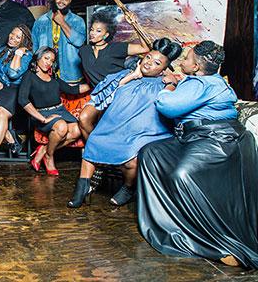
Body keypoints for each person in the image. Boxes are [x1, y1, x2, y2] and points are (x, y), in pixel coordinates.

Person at [137, 40, 258, 268]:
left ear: (196, 67)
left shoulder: (201, 85)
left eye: (188, 58)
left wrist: (170, 85)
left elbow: (166, 105)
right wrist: (183, 83)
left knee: (182, 175)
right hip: (202, 137)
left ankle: (216, 242)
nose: (183, 61)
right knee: (151, 153)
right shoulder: (208, 81)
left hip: (217, 140)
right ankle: (170, 219)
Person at [68, 38, 182, 208]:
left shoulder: (166, 83)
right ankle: (82, 188)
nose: (149, 63)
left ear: (164, 69)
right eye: (148, 57)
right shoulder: (123, 75)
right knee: (94, 141)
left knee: (131, 161)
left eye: (157, 63)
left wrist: (172, 82)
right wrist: (132, 76)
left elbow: (168, 104)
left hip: (143, 133)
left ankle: (128, 188)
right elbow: (103, 96)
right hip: (113, 128)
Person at [77, 9, 151, 140]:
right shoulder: (84, 51)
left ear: (106, 35)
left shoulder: (116, 48)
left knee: (115, 129)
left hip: (119, 93)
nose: (93, 33)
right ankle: (96, 150)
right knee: (84, 119)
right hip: (100, 94)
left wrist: (134, 24)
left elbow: (145, 48)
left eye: (98, 31)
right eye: (92, 30)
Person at [18, 47, 90, 175]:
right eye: (46, 58)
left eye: (51, 60)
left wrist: (96, 84)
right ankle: (49, 157)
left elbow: (72, 90)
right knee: (61, 127)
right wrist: (43, 119)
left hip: (60, 110)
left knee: (77, 130)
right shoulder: (29, 75)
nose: (48, 63)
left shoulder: (53, 76)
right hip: (42, 113)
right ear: (38, 57)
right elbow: (23, 100)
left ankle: (44, 150)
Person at [0, 25, 33, 176]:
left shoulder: (27, 55)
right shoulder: (2, 50)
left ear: (24, 41)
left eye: (18, 37)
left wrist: (18, 54)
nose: (12, 38)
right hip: (2, 88)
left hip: (17, 90)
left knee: (2, 112)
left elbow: (13, 73)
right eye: (12, 34)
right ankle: (10, 138)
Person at [31, 0, 86, 83]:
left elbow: (79, 42)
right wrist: (36, 67)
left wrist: (62, 22)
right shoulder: (41, 21)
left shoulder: (77, 21)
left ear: (70, 1)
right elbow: (34, 46)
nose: (61, 1)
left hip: (70, 73)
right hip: (45, 73)